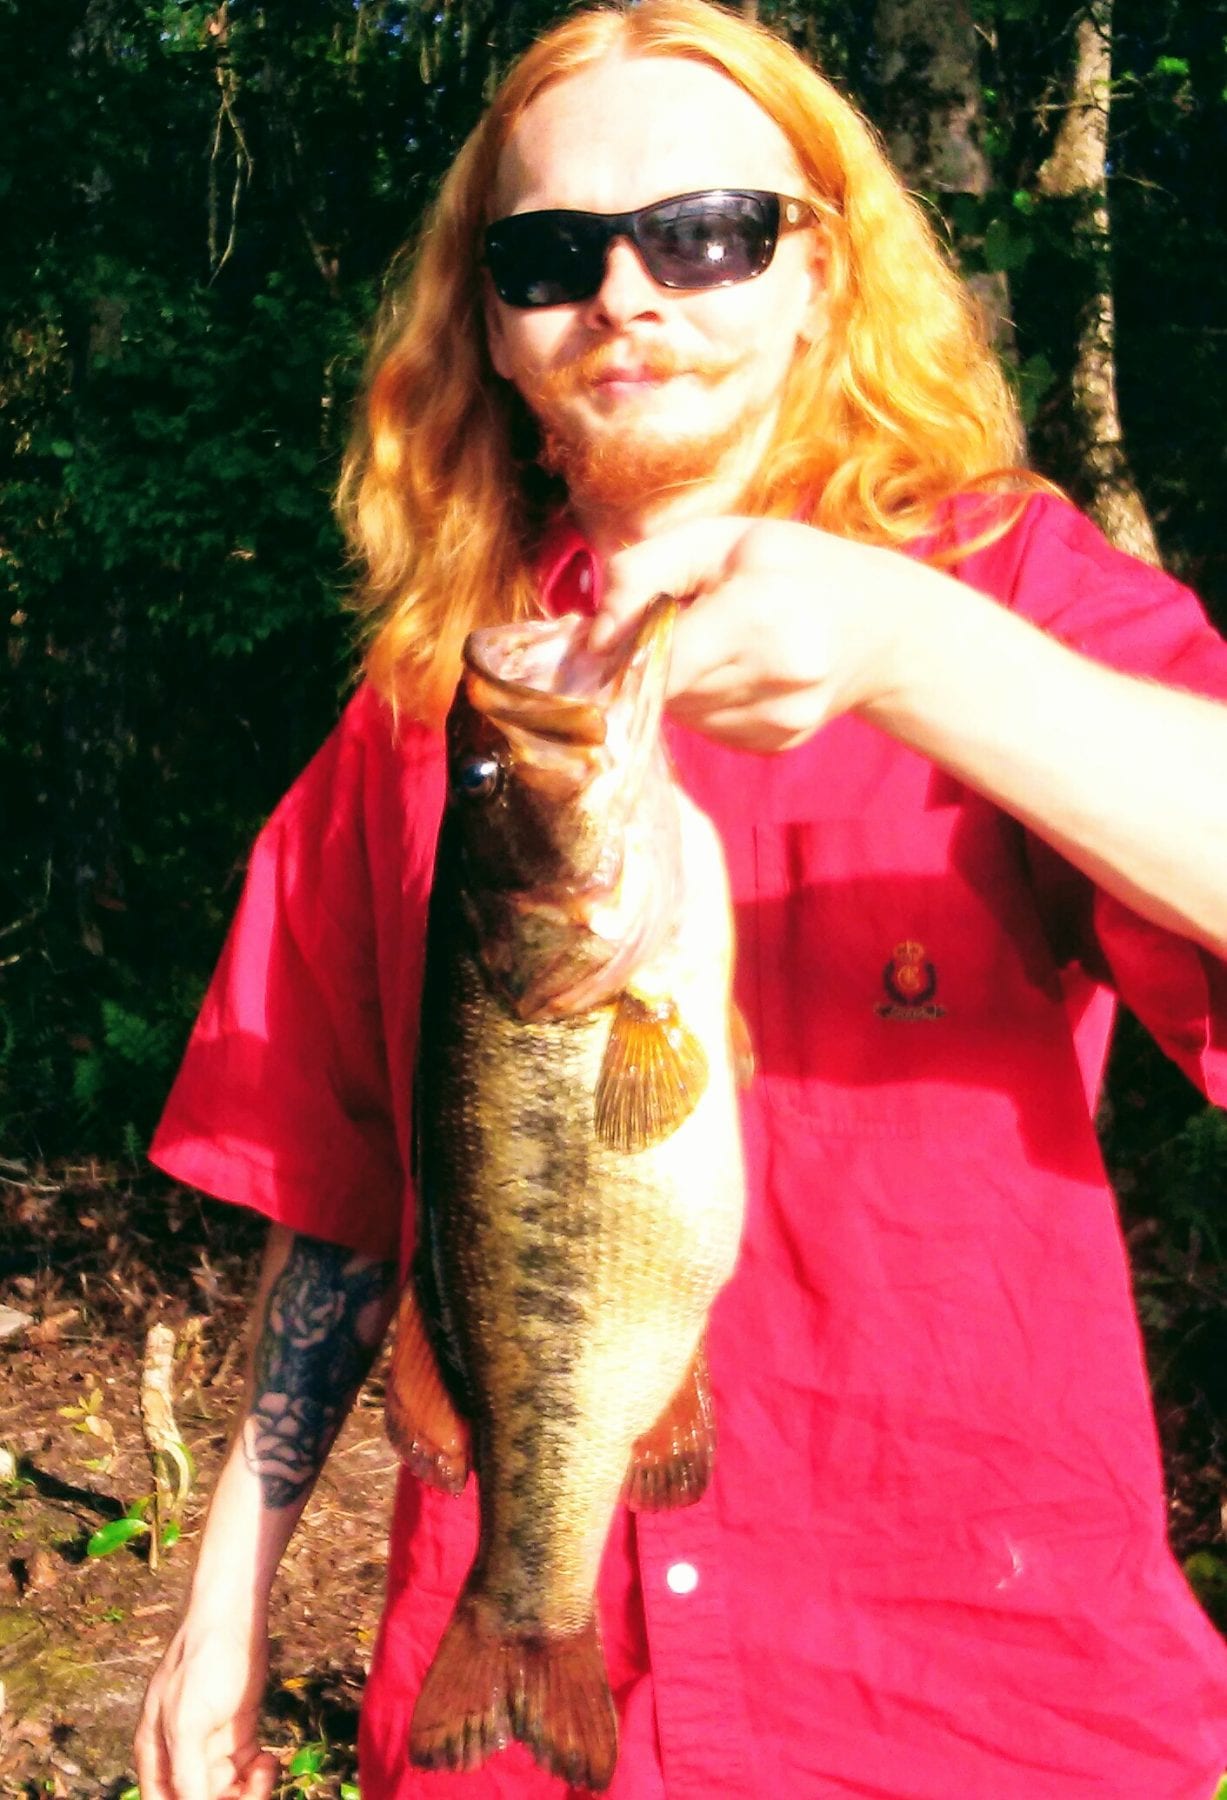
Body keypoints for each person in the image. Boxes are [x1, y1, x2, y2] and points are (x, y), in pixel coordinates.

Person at [133, 2, 1227, 1796]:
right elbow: (336, 1192)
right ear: (490, 325)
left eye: (707, 233)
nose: (627, 297)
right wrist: (223, 1601)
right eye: (552, 256)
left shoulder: (1011, 590)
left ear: (819, 272)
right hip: (523, 1721)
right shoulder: (426, 715)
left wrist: (912, 652)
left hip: (977, 1704)